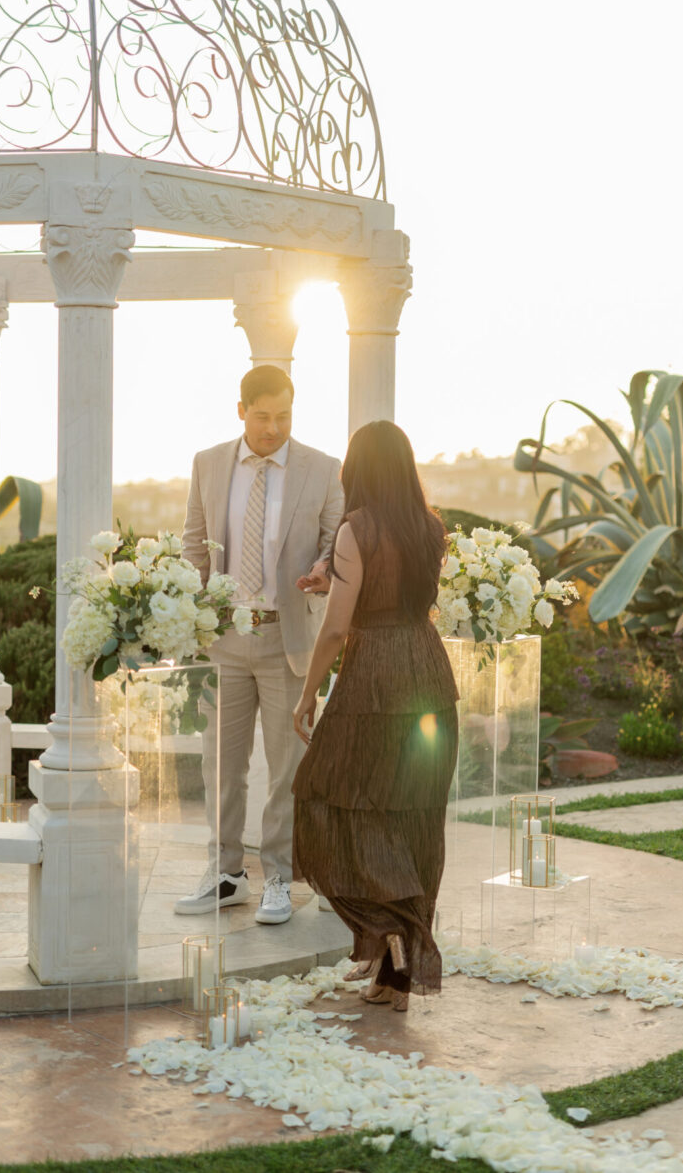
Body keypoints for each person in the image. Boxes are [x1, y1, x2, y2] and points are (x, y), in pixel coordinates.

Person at [291, 420, 458, 1010]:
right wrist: (328, 582)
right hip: (428, 675)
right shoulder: (430, 526)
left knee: (329, 798)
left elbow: (339, 626)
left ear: (356, 469)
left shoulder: (355, 528)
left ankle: (390, 955)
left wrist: (308, 692)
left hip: (374, 681)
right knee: (411, 820)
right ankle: (395, 972)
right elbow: (394, 596)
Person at [177, 365, 343, 925]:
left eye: (285, 416)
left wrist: (324, 569)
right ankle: (225, 875)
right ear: (241, 409)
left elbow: (333, 545)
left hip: (286, 638)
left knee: (285, 767)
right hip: (223, 638)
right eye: (264, 415)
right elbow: (194, 549)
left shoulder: (322, 469)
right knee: (220, 765)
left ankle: (278, 877)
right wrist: (184, 617)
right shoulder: (207, 464)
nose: (274, 428)